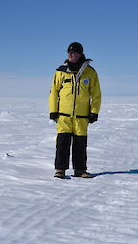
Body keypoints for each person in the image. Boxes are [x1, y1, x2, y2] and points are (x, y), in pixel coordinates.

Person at [49, 42, 101, 178]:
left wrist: (94, 112)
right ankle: (60, 170)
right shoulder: (60, 71)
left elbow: (96, 94)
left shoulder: (90, 72)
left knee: (80, 144)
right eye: (69, 52)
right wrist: (53, 111)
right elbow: (53, 92)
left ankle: (80, 170)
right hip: (63, 116)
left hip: (82, 116)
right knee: (62, 144)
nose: (71, 55)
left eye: (74, 52)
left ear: (80, 54)